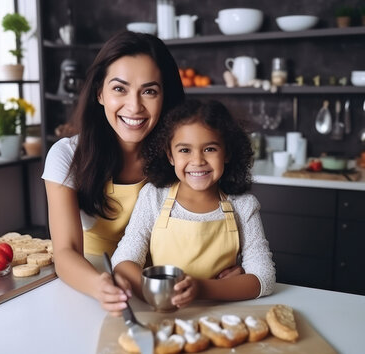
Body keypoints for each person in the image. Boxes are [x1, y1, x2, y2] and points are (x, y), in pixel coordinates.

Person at [41, 30, 185, 316]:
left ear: (164, 97)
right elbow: (66, 252)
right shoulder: (67, 156)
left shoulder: (180, 154)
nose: (134, 106)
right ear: (100, 92)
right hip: (92, 285)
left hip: (164, 286)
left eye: (149, 91)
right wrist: (101, 287)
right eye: (120, 88)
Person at [112, 99, 276, 309]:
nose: (197, 160)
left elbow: (264, 278)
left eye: (209, 149)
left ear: (227, 153)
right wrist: (160, 293)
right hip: (162, 310)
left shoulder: (243, 206)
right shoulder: (153, 197)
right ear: (170, 155)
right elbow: (123, 261)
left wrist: (201, 289)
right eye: (185, 150)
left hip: (220, 314)